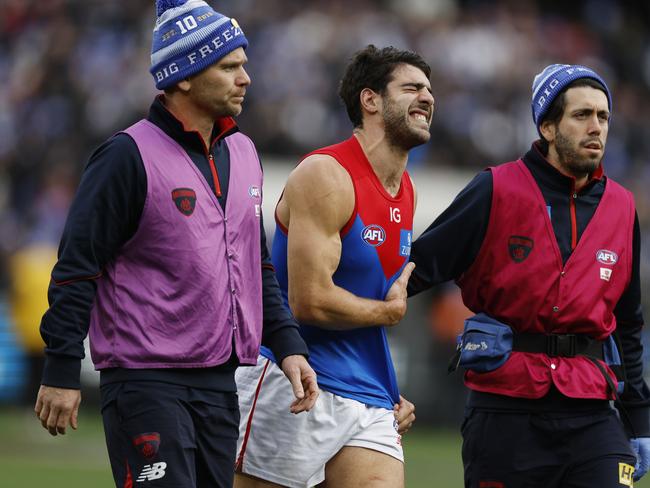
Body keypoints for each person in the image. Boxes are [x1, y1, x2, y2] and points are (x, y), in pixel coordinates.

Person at [34, 1, 318, 487]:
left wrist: (289, 345)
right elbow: (78, 267)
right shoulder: (125, 156)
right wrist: (62, 368)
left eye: (244, 65)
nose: (245, 78)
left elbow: (256, 265)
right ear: (183, 76)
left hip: (220, 384)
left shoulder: (246, 153)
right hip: (145, 382)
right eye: (230, 66)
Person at [409, 63, 650, 487]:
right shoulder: (494, 189)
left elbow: (628, 322)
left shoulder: (622, 206)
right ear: (549, 127)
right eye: (582, 115)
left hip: (592, 410)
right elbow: (414, 271)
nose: (596, 127)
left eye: (603, 116)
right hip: (505, 407)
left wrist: (640, 415)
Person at [234, 45, 433, 488]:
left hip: (368, 396)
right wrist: (388, 313)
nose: (427, 97)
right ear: (371, 100)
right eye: (412, 87)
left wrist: (383, 384)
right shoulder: (326, 174)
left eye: (429, 90)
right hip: (294, 381)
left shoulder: (407, 190)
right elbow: (310, 301)